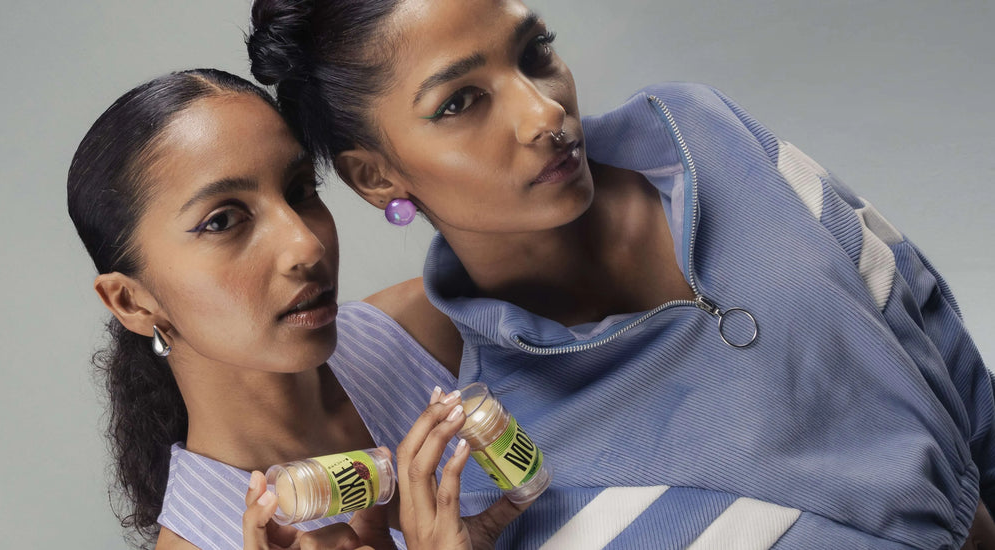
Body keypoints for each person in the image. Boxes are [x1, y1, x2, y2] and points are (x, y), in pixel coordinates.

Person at [246, 0, 995, 548]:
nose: (544, 114)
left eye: (534, 52)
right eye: (462, 102)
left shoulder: (703, 136)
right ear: (377, 177)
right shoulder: (507, 475)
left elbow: (916, 305)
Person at [67, 69, 521, 550]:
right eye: (222, 221)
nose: (306, 246)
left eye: (301, 191)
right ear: (132, 302)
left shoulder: (436, 325)